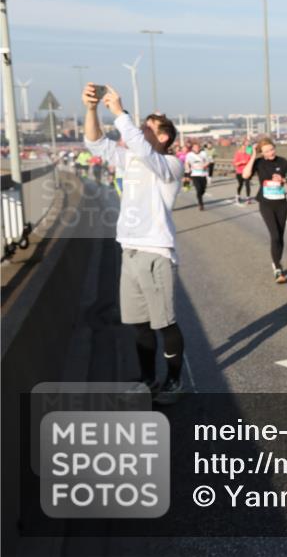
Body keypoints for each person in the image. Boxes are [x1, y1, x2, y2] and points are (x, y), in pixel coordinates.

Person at [81, 83, 187, 404]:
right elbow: (95, 142)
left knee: (164, 322)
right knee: (139, 325)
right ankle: (147, 380)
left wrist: (120, 113)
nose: (140, 130)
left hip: (155, 251)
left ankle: (174, 381)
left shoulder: (170, 165)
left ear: (164, 137)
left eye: (147, 127)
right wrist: (91, 109)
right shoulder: (131, 158)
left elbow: (143, 150)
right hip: (129, 249)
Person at [242, 137, 287, 283]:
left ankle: (276, 261)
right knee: (274, 236)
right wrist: (253, 156)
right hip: (266, 203)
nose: (270, 153)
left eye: (272, 149)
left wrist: (284, 180)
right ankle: (278, 268)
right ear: (262, 153)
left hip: (281, 203)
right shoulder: (259, 162)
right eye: (266, 151)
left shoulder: (283, 162)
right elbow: (245, 174)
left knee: (280, 236)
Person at [184, 141, 210, 210]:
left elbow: (208, 162)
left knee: (203, 190)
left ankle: (199, 196)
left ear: (200, 148)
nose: (196, 148)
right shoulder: (189, 155)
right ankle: (200, 204)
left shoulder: (204, 153)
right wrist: (187, 171)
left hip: (203, 174)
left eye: (198, 147)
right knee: (198, 189)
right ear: (192, 148)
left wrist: (205, 166)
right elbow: (186, 163)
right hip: (194, 174)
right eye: (195, 147)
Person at [232, 139, 253, 205]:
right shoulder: (237, 154)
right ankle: (237, 196)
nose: (244, 149)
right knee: (240, 184)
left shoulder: (248, 155)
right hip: (239, 172)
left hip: (246, 172)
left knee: (247, 184)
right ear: (240, 148)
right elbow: (235, 164)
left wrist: (250, 168)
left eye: (245, 148)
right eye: (243, 148)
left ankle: (248, 198)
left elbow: (250, 163)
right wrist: (241, 162)